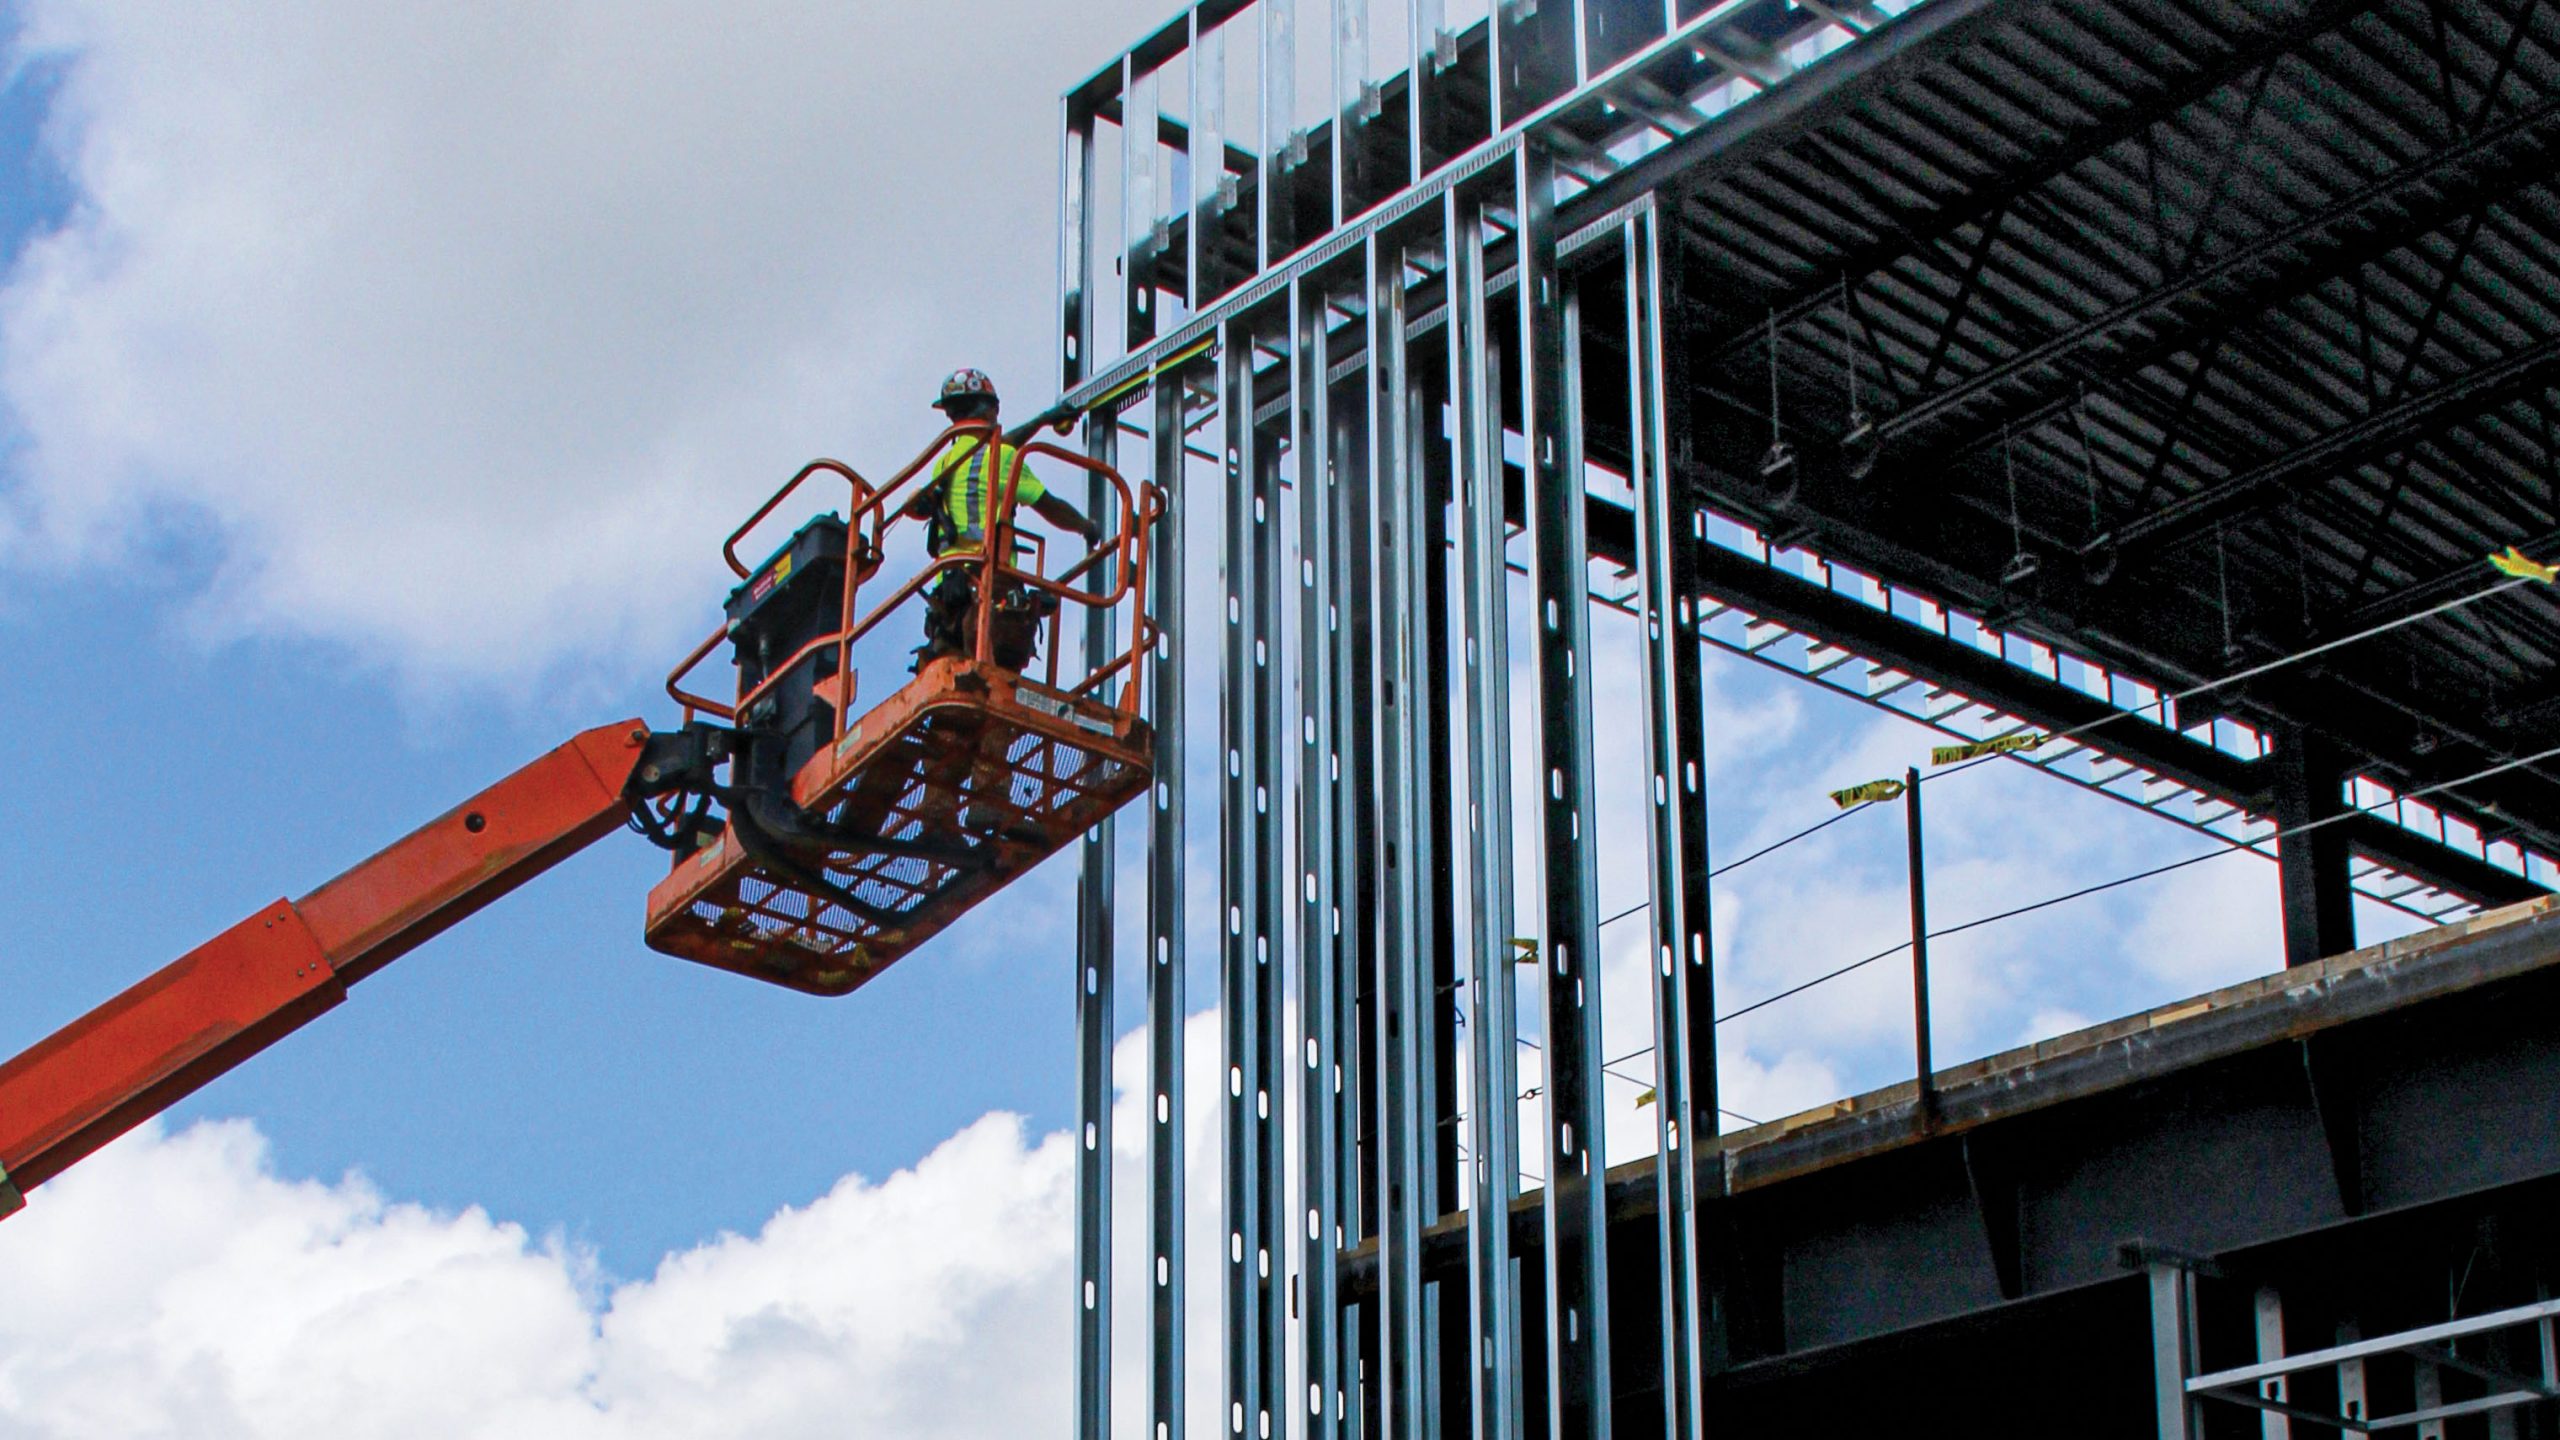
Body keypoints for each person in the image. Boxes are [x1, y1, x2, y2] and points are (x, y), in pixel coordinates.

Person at [901, 368, 1100, 672]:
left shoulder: (946, 461)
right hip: (989, 588)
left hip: (948, 596)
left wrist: (1043, 420)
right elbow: (1049, 506)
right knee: (993, 674)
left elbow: (997, 443)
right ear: (990, 408)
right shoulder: (1003, 457)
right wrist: (1087, 527)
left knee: (957, 688)